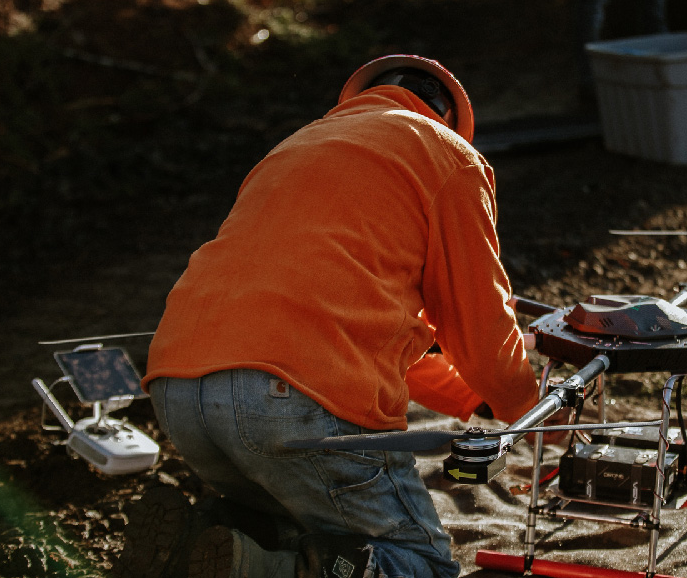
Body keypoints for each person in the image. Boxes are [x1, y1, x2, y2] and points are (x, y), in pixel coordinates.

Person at [118, 55, 544, 578]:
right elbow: (480, 330)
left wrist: (471, 399)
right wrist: (532, 409)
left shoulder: (292, 149)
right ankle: (267, 570)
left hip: (178, 388)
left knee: (292, 522)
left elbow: (345, 334)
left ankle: (200, 544)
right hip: (292, 402)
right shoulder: (448, 155)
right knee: (422, 565)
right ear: (451, 119)